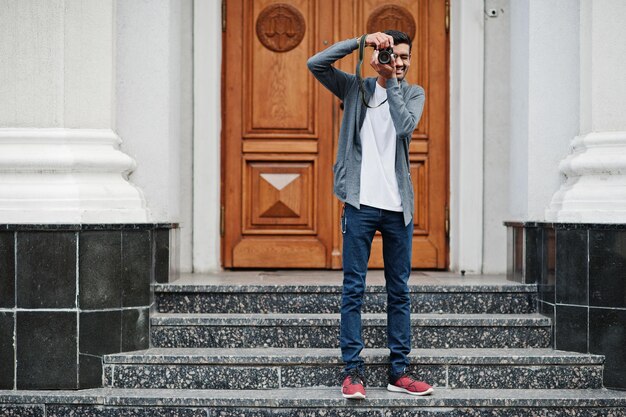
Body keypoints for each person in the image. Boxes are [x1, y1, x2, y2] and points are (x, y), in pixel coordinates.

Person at [307, 30, 433, 399]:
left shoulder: (412, 92)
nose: (400, 62)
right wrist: (360, 43)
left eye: (405, 57)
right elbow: (316, 63)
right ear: (379, 54)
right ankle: (352, 372)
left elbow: (405, 126)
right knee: (354, 289)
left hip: (398, 209)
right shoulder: (354, 88)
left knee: (399, 291)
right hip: (360, 205)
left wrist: (392, 81)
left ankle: (399, 371)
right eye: (393, 55)